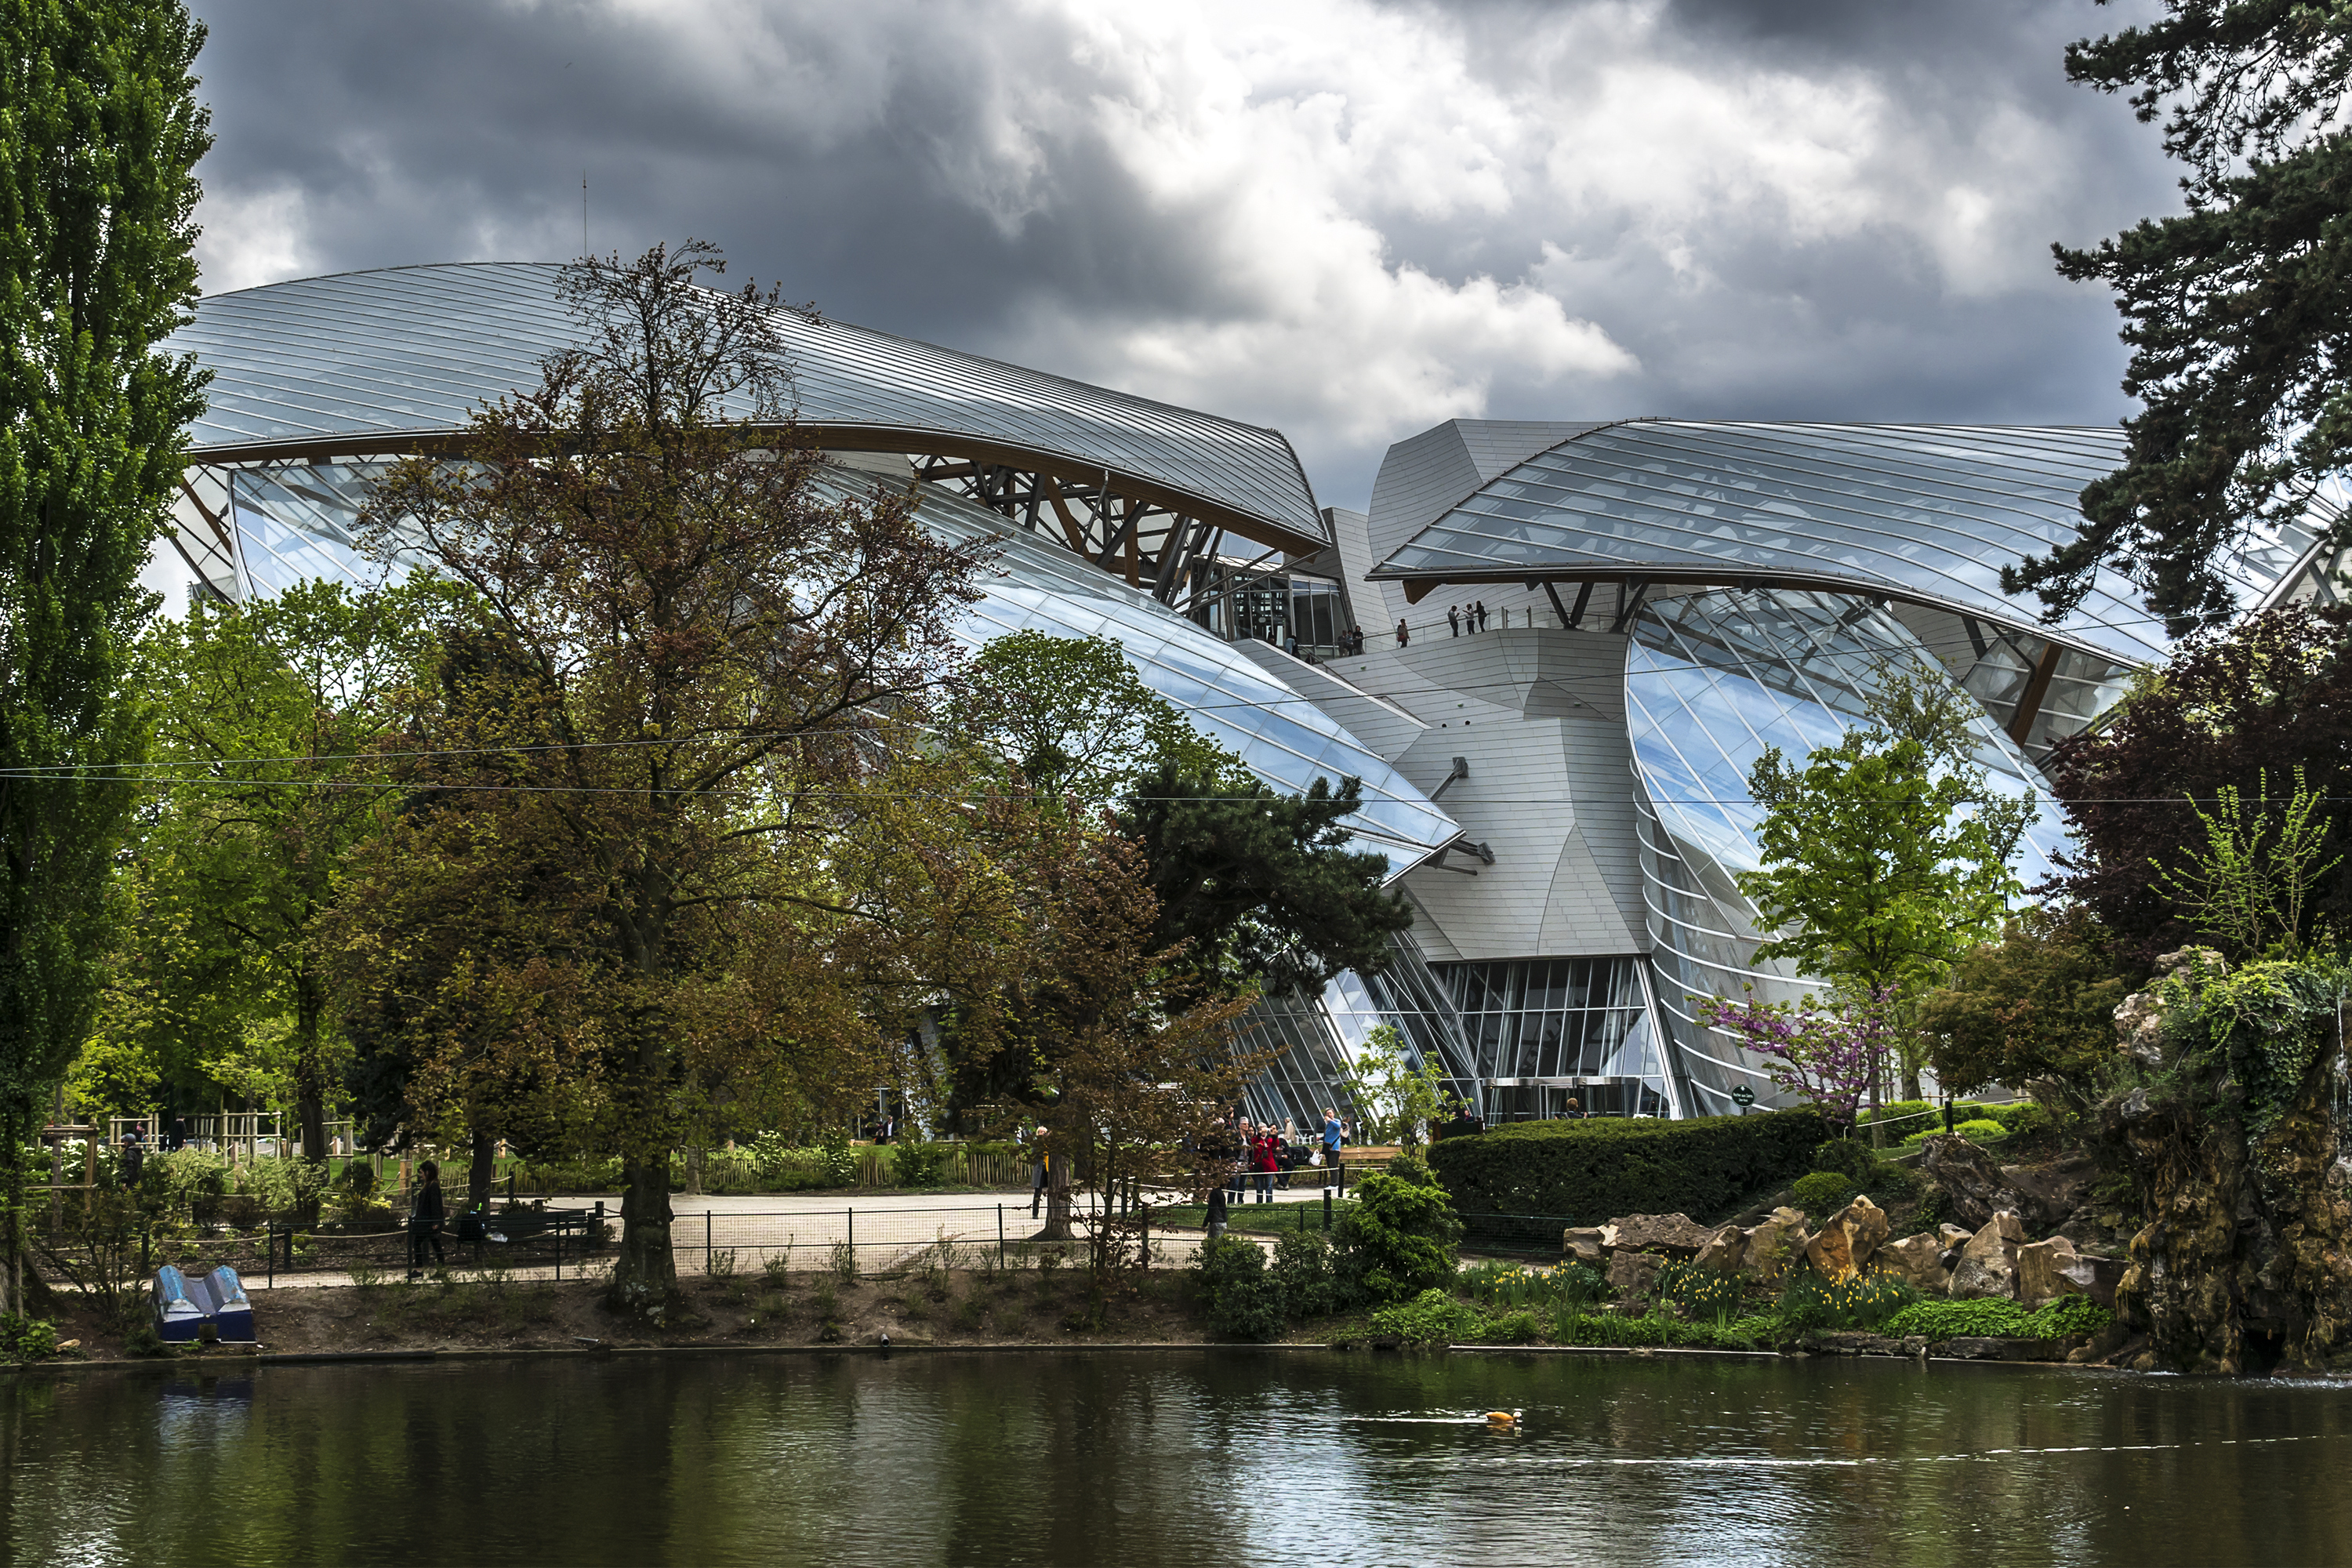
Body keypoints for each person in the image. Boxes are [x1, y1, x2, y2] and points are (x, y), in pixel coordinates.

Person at [408, 1159, 446, 1279]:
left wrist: (435, 1221)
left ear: (427, 1172)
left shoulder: (432, 1186)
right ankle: (438, 1269)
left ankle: (422, 1269)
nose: (421, 1175)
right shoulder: (430, 1185)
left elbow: (435, 1204)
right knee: (433, 1245)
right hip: (425, 1221)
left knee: (424, 1244)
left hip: (427, 1222)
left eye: (422, 1172)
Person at [1028, 1124, 1050, 1218]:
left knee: (1052, 1191)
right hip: (1040, 1170)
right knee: (1038, 1191)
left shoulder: (1049, 1144)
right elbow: (1034, 1154)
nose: (1043, 1134)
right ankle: (1035, 1213)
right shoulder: (1036, 1144)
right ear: (1038, 1134)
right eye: (1042, 1132)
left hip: (1049, 1170)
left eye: (1045, 1132)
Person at [1320, 1106, 1343, 1181]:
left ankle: (1335, 1183)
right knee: (1330, 1165)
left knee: (1333, 1165)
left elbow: (1338, 1127)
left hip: (1334, 1147)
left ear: (1333, 1114)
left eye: (1330, 1113)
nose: (1329, 1114)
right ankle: (1333, 1182)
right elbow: (1328, 1134)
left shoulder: (1337, 1121)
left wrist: (1330, 1120)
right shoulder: (1327, 1125)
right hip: (1327, 1146)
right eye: (1327, 1114)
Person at [119, 1124, 145, 1189]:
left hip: (130, 1183)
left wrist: (124, 1181)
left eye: (124, 1141)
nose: (124, 1143)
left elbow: (128, 1167)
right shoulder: (139, 1152)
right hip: (137, 1182)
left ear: (128, 1142)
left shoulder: (129, 1153)